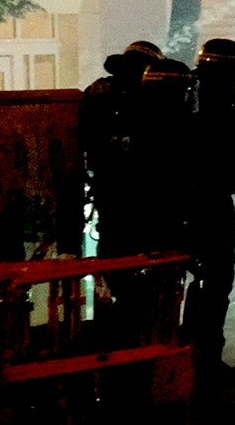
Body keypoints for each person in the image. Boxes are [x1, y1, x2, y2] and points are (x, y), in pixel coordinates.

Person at [80, 41, 194, 344]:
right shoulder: (162, 119)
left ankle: (117, 353)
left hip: (114, 208)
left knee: (120, 284)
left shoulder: (105, 99)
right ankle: (139, 353)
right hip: (145, 219)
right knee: (141, 292)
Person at [184, 39, 235, 388]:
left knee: (177, 284)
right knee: (215, 284)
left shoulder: (184, 97)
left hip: (173, 202)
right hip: (210, 203)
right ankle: (205, 359)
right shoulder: (225, 105)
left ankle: (176, 356)